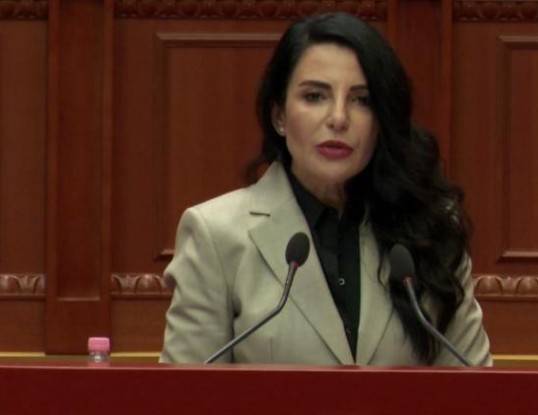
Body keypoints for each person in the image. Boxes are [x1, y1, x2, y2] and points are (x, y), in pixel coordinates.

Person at [160, 12, 491, 366]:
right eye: (315, 96)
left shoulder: (430, 229)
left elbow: (476, 386)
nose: (338, 118)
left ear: (382, 121)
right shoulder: (216, 235)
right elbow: (184, 390)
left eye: (362, 100)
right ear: (279, 116)